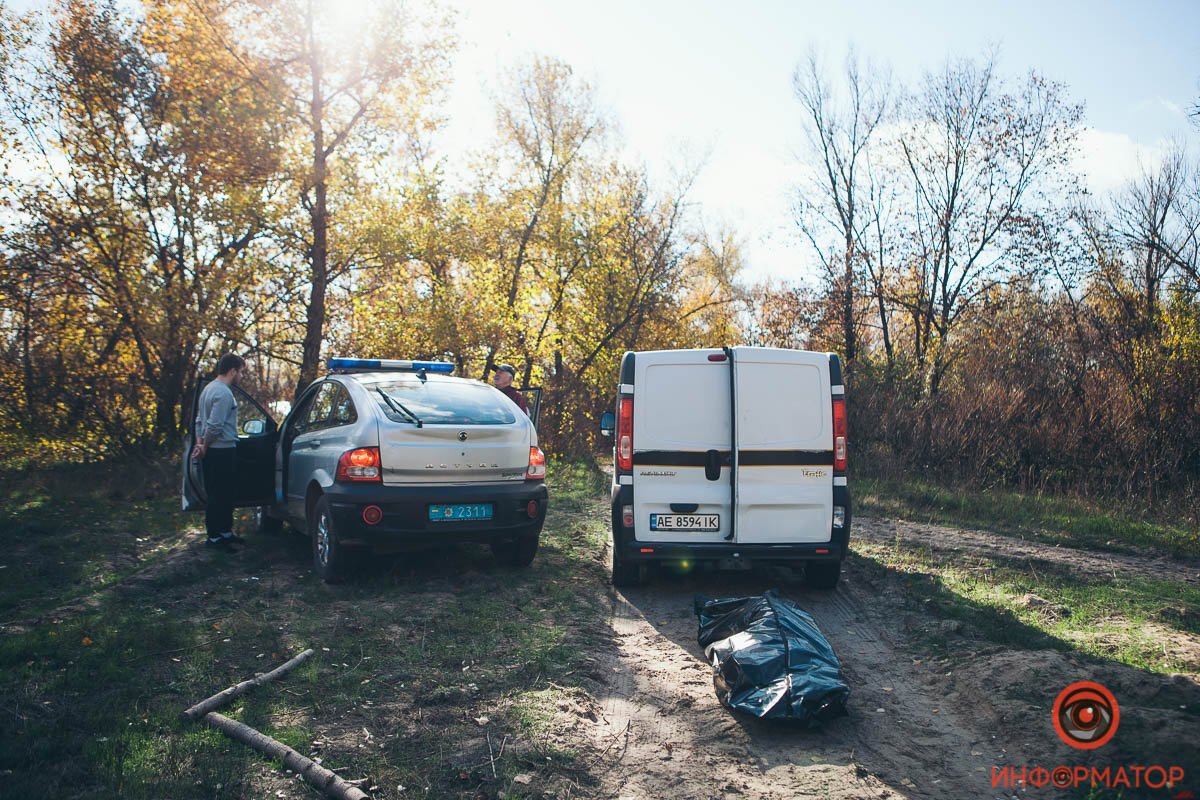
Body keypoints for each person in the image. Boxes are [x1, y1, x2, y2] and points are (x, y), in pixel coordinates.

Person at [193, 353, 247, 550]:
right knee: (220, 494)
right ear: (232, 371)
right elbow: (215, 426)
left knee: (222, 492)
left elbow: (200, 421)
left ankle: (225, 532)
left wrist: (200, 444)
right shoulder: (223, 393)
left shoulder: (208, 389)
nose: (241, 376)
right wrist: (205, 445)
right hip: (221, 451)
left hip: (212, 451)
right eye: (241, 372)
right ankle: (215, 537)